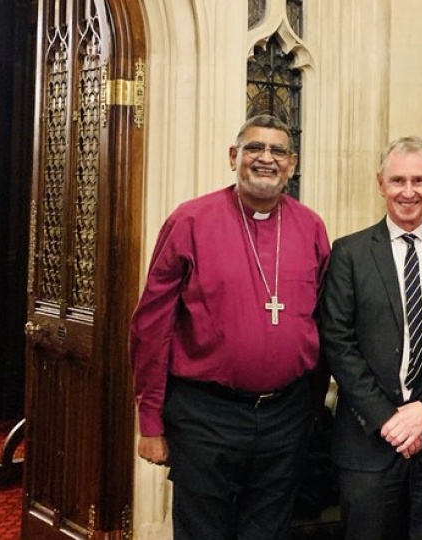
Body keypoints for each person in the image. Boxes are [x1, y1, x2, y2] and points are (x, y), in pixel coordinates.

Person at [129, 114, 330, 540]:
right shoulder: (190, 221)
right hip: (206, 415)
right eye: (254, 148)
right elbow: (152, 325)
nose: (266, 158)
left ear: (292, 164)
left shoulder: (311, 226)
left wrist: (312, 409)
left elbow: (324, 321)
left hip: (286, 416)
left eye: (278, 151)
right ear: (233, 156)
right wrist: (150, 422)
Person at [320, 136, 422, 540]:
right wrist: (389, 420)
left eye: (418, 181)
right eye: (397, 180)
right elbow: (337, 342)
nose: (408, 192)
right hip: (366, 444)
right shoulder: (349, 253)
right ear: (380, 184)